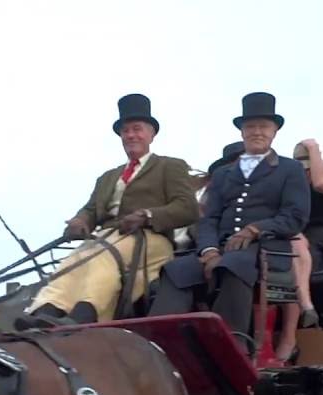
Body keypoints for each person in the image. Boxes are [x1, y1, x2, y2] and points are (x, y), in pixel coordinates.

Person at [17, 94, 198, 329]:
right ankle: (45, 311)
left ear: (151, 134)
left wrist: (147, 215)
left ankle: (85, 314)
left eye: (137, 129)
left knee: (104, 255)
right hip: (108, 236)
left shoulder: (170, 166)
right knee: (75, 259)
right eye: (125, 131)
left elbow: (187, 208)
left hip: (149, 239)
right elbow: (91, 209)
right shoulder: (107, 177)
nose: (131, 135)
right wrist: (80, 221)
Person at [149, 92, 310, 350]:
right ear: (242, 132)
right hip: (222, 249)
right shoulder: (225, 174)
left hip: (267, 249)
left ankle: (229, 343)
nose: (257, 132)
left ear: (274, 131)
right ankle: (159, 341)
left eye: (263, 126)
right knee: (175, 270)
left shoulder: (290, 170)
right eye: (250, 127)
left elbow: (295, 216)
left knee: (234, 264)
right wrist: (210, 250)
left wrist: (256, 228)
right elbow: (210, 218)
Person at [270, 139, 323, 361]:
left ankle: (299, 325)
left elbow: (320, 183)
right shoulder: (292, 191)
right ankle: (297, 317)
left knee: (293, 249)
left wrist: (313, 148)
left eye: (307, 169)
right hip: (298, 246)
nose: (305, 174)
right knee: (287, 252)